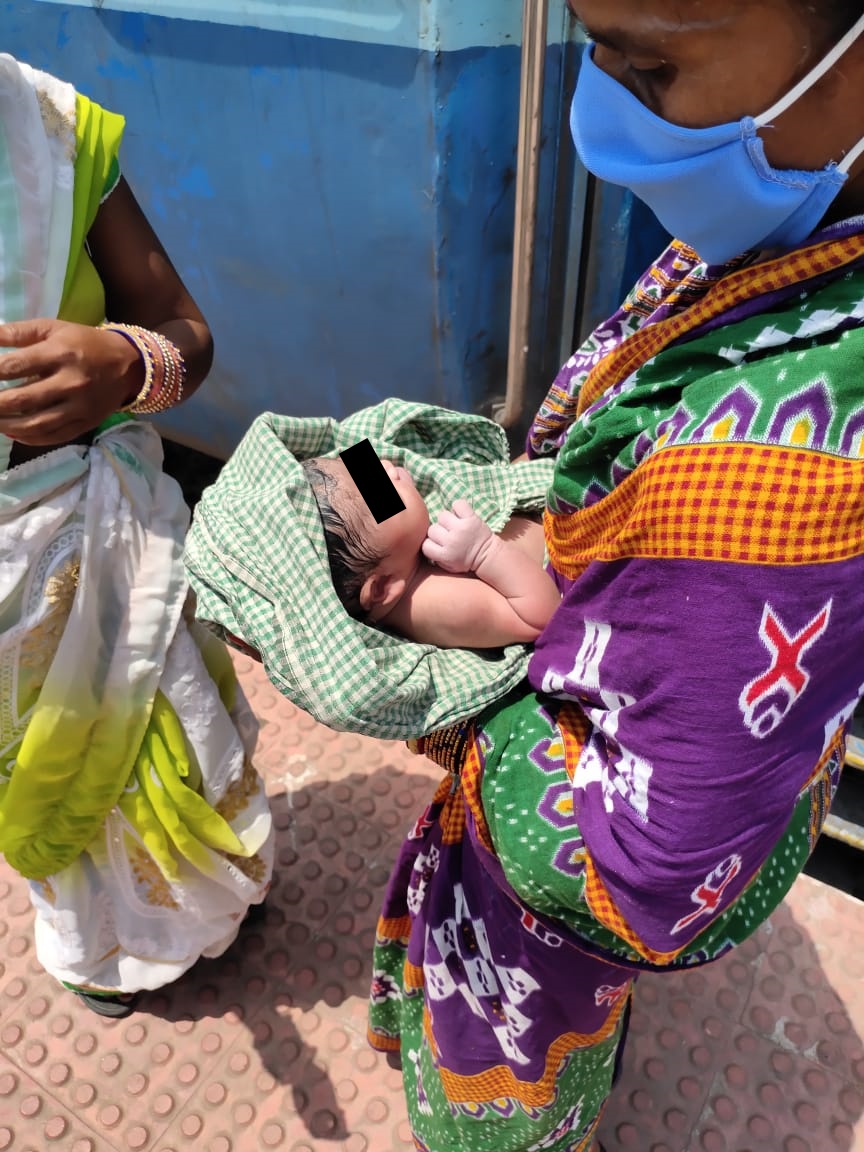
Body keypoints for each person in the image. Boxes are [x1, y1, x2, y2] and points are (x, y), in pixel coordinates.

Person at [367, 2, 864, 1150]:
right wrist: (506, 556)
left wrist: (427, 661)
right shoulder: (770, 239)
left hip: (561, 878)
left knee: (518, 1065)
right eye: (591, 43)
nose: (599, 105)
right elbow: (576, 576)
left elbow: (648, 873)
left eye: (647, 63)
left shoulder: (784, 486)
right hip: (557, 701)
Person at [0, 56, 273, 1016]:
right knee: (48, 786)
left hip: (105, 523)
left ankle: (213, 892)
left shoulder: (48, 127)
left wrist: (123, 362)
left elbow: (182, 331)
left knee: (184, 736)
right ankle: (103, 944)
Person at [302, 455, 560, 647]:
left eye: (369, 470)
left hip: (543, 511)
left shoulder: (399, 551)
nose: (387, 466)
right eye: (381, 492)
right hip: (566, 554)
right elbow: (541, 618)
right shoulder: (436, 603)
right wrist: (484, 552)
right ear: (381, 588)